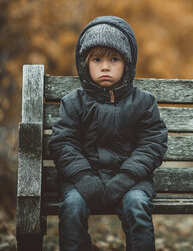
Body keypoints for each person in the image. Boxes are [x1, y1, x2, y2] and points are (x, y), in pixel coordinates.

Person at [48, 16, 168, 251]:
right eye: (97, 59)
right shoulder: (74, 103)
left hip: (131, 180)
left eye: (114, 59)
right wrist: (83, 177)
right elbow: (63, 143)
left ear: (127, 64)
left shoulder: (143, 103)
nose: (105, 66)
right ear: (85, 64)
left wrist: (125, 178)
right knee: (72, 206)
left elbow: (153, 143)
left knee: (136, 205)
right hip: (82, 178)